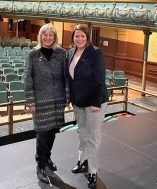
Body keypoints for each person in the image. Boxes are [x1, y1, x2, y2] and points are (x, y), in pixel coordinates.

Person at [24, 23, 68, 184]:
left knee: (52, 133)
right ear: (40, 37)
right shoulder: (33, 55)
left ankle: (47, 157)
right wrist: (30, 101)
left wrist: (66, 98)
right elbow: (27, 79)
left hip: (57, 102)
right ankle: (40, 165)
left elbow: (66, 77)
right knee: (42, 135)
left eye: (51, 35)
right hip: (41, 102)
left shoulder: (61, 53)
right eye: (45, 35)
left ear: (54, 37)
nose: (48, 38)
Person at [65, 25, 108, 189]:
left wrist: (96, 102)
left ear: (87, 38)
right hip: (78, 102)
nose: (80, 39)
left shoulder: (96, 53)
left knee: (93, 137)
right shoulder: (70, 53)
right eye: (77, 36)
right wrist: (71, 100)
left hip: (94, 102)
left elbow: (99, 80)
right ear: (73, 38)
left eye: (83, 36)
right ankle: (82, 161)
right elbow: (70, 79)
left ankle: (93, 171)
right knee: (82, 133)